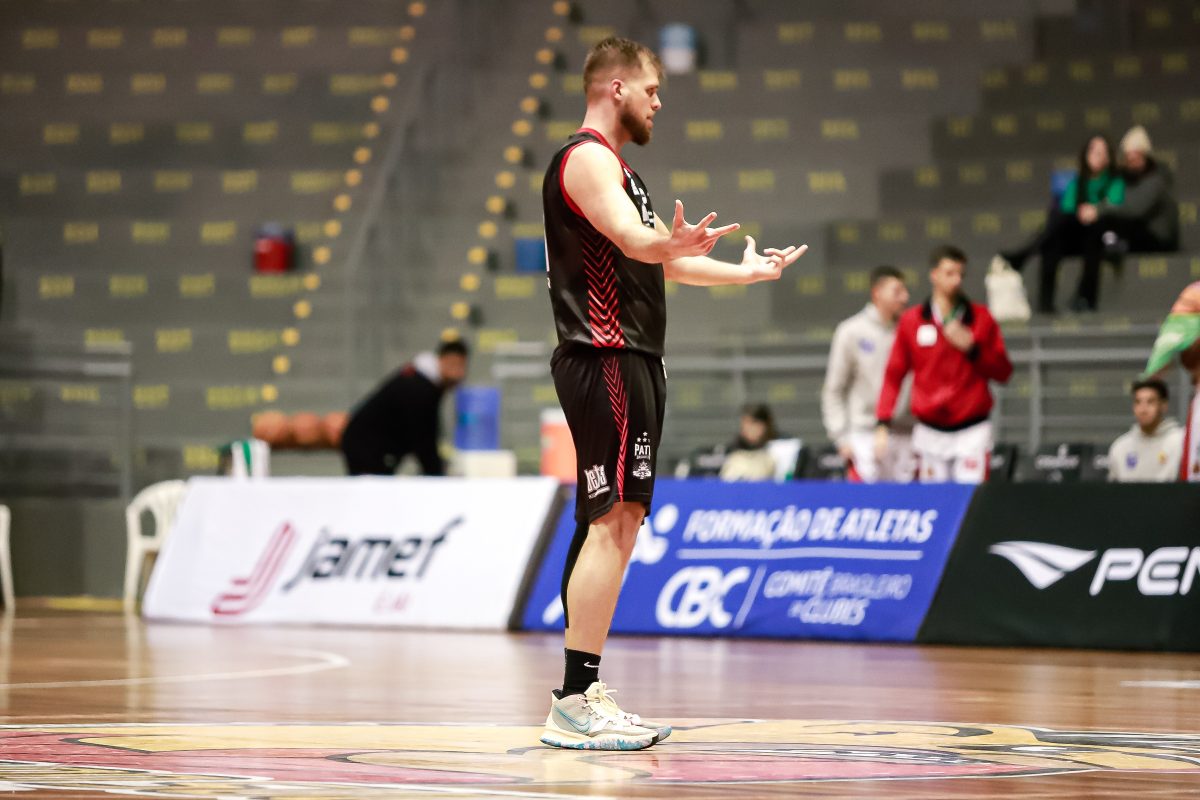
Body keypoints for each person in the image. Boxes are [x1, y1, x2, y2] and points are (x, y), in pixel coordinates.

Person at [540, 36, 806, 751]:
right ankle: (575, 699)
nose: (659, 103)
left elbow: (669, 262)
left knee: (611, 522)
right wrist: (667, 244)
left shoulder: (622, 171)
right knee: (615, 520)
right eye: (652, 90)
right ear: (617, 88)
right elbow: (638, 242)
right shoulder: (587, 160)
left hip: (631, 360)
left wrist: (748, 274)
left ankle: (580, 693)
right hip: (606, 355)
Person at [876, 245, 1012, 484]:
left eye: (961, 274)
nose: (956, 280)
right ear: (934, 275)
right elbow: (894, 374)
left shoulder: (981, 318)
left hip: (972, 431)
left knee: (971, 500)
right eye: (949, 273)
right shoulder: (912, 321)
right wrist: (882, 422)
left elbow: (1003, 372)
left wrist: (973, 350)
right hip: (930, 432)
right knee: (933, 501)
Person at [997, 134, 1124, 313]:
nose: (1096, 155)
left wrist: (1095, 210)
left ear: (1109, 157)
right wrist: (1081, 212)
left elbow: (1116, 204)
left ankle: (1024, 254)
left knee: (1091, 235)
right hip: (1075, 231)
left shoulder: (1114, 180)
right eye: (1092, 150)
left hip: (1100, 234)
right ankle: (1046, 304)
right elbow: (1066, 209)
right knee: (1052, 241)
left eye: (1101, 152)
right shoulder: (1078, 182)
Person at [821, 265, 915, 482]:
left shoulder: (911, 329)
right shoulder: (851, 331)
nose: (905, 297)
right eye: (897, 291)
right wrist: (841, 437)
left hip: (907, 433)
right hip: (864, 434)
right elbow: (834, 389)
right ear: (877, 293)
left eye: (905, 291)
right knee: (868, 500)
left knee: (909, 501)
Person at [339, 340, 469, 476]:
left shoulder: (424, 383)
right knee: (373, 487)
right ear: (441, 360)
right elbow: (424, 438)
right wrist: (436, 475)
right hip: (367, 447)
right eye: (454, 364)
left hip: (372, 447)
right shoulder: (420, 388)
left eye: (462, 367)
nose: (459, 373)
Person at [1093, 125, 1179, 263]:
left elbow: (1135, 209)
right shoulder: (1123, 178)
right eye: (1128, 157)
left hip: (1158, 238)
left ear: (1146, 157)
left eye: (1137, 156)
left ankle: (1116, 245)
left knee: (1117, 218)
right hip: (1136, 234)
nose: (1132, 161)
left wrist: (1098, 210)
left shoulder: (1157, 179)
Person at [1106, 378, 1183, 482]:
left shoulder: (1181, 442)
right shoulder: (1120, 447)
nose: (1143, 409)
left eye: (1150, 402)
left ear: (1163, 405)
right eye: (1138, 402)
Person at [718, 403, 778, 482]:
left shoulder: (778, 448)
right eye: (744, 423)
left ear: (765, 425)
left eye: (753, 423)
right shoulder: (733, 452)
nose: (747, 428)